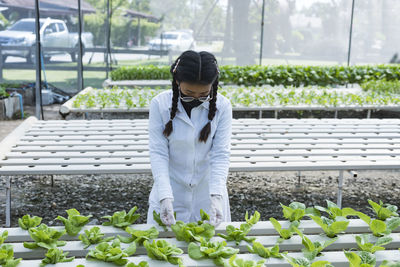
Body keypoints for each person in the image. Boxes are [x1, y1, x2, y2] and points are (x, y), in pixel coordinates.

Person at [146, 50, 232, 227]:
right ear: (177, 81)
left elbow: (220, 154)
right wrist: (164, 196)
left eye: (203, 95)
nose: (195, 99)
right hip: (171, 188)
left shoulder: (223, 106)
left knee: (211, 250)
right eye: (188, 93)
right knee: (163, 249)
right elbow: (158, 153)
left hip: (207, 191)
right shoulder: (159, 105)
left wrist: (216, 196)